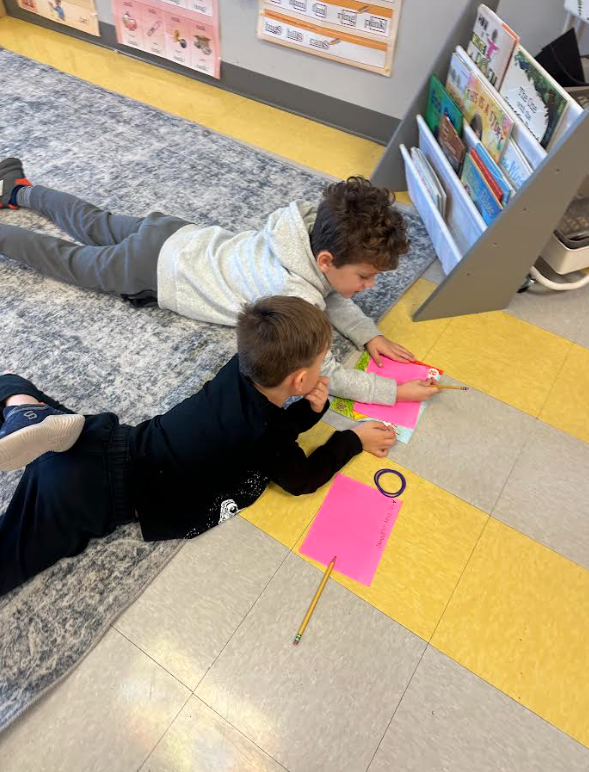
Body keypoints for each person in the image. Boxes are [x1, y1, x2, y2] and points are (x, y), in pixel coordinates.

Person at [0, 296, 411, 597]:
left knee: (15, 384)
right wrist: (351, 439)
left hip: (97, 436)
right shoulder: (265, 437)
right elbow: (301, 478)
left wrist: (307, 412)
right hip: (91, 492)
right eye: (322, 363)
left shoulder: (239, 368)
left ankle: (22, 409)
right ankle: (26, 413)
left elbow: (263, 423)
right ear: (300, 381)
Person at [0, 158, 438, 407]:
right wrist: (392, 391)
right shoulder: (295, 297)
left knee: (91, 221)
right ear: (325, 260)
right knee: (66, 260)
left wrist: (369, 335)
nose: (368, 286)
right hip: (154, 270)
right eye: (365, 276)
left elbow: (331, 292)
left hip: (175, 233)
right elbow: (318, 371)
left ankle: (18, 188)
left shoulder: (304, 229)